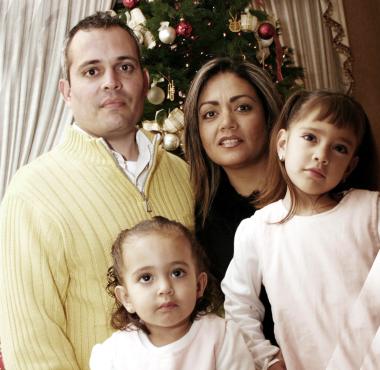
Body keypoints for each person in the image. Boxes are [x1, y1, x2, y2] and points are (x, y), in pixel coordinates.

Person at [0, 12, 194, 370]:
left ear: (144, 79)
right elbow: (32, 344)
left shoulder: (183, 175)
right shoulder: (32, 192)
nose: (111, 82)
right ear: (67, 91)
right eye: (92, 71)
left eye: (124, 67)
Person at [221, 90, 380, 370]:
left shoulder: (369, 210)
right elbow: (238, 304)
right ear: (283, 144)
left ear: (349, 167)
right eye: (311, 138)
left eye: (339, 147)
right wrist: (266, 358)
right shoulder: (258, 230)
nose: (321, 155)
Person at [183, 56, 282, 344]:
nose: (227, 123)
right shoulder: (203, 221)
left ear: (268, 116)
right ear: (197, 132)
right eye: (210, 114)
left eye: (242, 107)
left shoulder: (312, 194)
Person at [89, 216, 255, 370]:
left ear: (198, 286)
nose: (165, 288)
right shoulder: (113, 355)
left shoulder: (221, 337)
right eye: (146, 278)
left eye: (177, 273)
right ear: (127, 298)